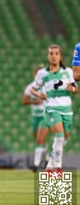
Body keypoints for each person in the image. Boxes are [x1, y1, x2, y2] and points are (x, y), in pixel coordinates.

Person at [31, 44, 77, 174]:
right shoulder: (42, 73)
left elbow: (76, 89)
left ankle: (49, 167)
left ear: (60, 56)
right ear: (48, 56)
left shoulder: (67, 72)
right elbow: (34, 89)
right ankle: (57, 168)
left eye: (57, 53)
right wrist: (40, 94)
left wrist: (72, 89)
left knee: (65, 138)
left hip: (67, 110)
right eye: (51, 53)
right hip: (52, 109)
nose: (54, 56)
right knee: (60, 136)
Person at [22, 64, 48, 172]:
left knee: (39, 140)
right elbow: (24, 101)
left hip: (45, 115)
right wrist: (34, 102)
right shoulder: (30, 87)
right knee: (39, 140)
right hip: (35, 116)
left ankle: (36, 164)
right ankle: (47, 159)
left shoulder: (48, 86)